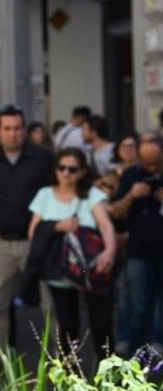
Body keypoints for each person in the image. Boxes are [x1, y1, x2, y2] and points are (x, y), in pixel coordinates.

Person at [0, 104, 54, 358]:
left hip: (38, 242)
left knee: (50, 303)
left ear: (25, 129)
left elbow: (55, 194)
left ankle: (61, 360)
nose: (13, 134)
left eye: (18, 128)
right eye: (7, 129)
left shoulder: (43, 158)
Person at [28, 147, 116, 358]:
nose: (66, 173)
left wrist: (110, 252)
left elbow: (106, 226)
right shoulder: (45, 194)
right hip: (59, 268)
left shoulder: (92, 195)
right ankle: (69, 375)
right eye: (62, 168)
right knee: (67, 323)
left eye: (72, 169)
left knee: (100, 321)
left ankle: (108, 373)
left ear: (83, 171)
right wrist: (58, 226)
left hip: (92, 267)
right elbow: (33, 233)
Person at [110, 135, 163, 353]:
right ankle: (136, 346)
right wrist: (131, 195)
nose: (151, 168)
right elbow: (116, 212)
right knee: (138, 302)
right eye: (146, 163)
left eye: (156, 163)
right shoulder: (132, 174)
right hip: (139, 250)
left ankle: (158, 344)